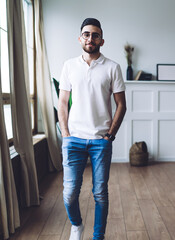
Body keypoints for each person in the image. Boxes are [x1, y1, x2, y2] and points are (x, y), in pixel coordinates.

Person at [58, 18, 126, 240]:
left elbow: (121, 105)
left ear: (102, 40)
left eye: (95, 35)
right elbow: (62, 103)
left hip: (100, 141)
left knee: (100, 194)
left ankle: (98, 236)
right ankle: (76, 225)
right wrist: (66, 134)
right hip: (73, 140)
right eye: (86, 34)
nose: (90, 38)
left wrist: (109, 136)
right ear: (80, 38)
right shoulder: (69, 66)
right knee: (69, 194)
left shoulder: (113, 67)